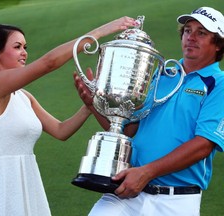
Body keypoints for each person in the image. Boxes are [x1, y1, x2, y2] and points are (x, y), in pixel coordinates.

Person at [0, 16, 138, 216]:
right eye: (17, 47)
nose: (24, 53)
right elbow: (49, 63)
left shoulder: (24, 96)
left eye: (25, 47)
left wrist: (89, 105)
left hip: (28, 178)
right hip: (4, 183)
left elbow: (61, 131)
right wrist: (98, 33)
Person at [74, 6, 224, 216]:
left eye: (202, 33)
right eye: (188, 30)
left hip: (176, 200)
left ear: (218, 44)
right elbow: (128, 130)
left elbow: (203, 145)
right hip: (126, 192)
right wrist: (93, 104)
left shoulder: (219, 84)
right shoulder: (163, 74)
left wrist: (146, 172)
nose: (191, 37)